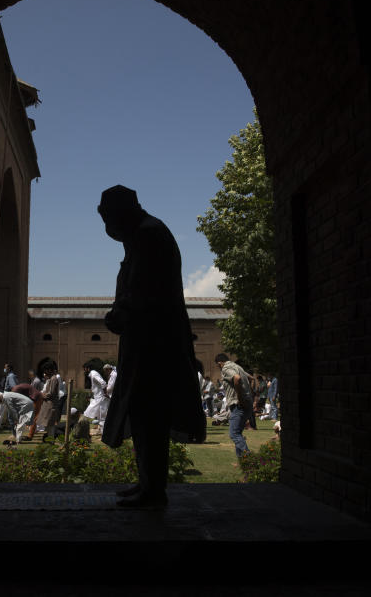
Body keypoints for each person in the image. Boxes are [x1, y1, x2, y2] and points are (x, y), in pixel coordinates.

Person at [97, 185, 206, 509]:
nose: (108, 229)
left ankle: (154, 489)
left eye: (109, 220)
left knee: (151, 413)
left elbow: (144, 291)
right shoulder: (143, 235)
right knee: (143, 414)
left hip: (155, 346)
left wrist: (118, 315)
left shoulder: (148, 235)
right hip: (146, 342)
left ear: (121, 213)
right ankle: (148, 482)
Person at [215, 353, 251, 459]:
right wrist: (248, 396)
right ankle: (242, 461)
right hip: (247, 402)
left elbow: (237, 378)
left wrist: (240, 397)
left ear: (219, 363)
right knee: (238, 433)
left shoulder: (226, 368)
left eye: (218, 366)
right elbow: (251, 378)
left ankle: (249, 459)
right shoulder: (238, 367)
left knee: (234, 434)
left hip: (238, 404)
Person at [39, 360, 63, 443]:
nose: (45, 372)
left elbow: (51, 393)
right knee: (48, 424)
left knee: (51, 424)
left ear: (49, 370)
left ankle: (51, 441)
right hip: (48, 404)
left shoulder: (54, 379)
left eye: (46, 370)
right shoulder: (50, 379)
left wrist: (42, 395)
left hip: (51, 404)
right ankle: (50, 440)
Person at [82, 360, 109, 427]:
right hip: (98, 397)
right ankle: (101, 431)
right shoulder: (92, 374)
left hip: (101, 398)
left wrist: (105, 393)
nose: (84, 371)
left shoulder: (93, 374)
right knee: (100, 416)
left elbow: (103, 383)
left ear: (88, 368)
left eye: (84, 369)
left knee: (90, 412)